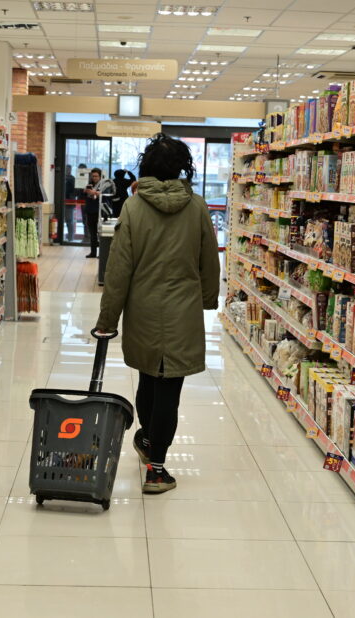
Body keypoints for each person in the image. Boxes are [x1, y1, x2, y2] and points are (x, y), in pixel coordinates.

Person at [94, 134, 220, 494]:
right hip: (183, 311)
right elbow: (209, 260)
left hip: (144, 310)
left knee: (148, 379)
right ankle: (157, 469)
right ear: (181, 167)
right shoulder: (197, 207)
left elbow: (119, 270)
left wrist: (107, 320)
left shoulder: (133, 208)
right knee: (169, 389)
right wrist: (207, 300)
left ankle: (148, 439)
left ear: (147, 166)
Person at [82, 168, 103, 258]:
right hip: (90, 211)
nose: (94, 178)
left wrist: (96, 193)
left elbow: (107, 196)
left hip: (99, 212)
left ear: (100, 176)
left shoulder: (103, 185)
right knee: (92, 233)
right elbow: (83, 197)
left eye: (96, 176)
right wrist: (85, 191)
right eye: (93, 176)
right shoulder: (89, 185)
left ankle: (101, 253)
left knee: (101, 234)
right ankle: (93, 252)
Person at [64, 165, 76, 242]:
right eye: (66, 169)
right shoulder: (63, 178)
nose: (67, 171)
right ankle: (68, 236)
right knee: (66, 220)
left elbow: (74, 191)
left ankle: (70, 237)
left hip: (69, 203)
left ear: (70, 170)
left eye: (69, 169)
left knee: (69, 220)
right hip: (62, 202)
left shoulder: (72, 179)